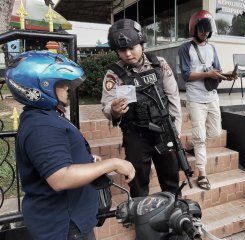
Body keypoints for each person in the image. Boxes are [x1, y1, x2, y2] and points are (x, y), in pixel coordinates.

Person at [5, 51, 135, 240]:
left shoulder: (45, 116)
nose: (67, 87)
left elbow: (57, 157)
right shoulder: (41, 126)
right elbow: (60, 178)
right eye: (60, 82)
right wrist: (114, 163)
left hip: (69, 221)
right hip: (64, 227)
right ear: (42, 86)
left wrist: (87, 160)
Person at [101, 18, 182, 198]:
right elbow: (106, 106)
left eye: (132, 48)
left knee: (171, 178)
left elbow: (173, 97)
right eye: (122, 50)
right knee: (138, 183)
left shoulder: (159, 64)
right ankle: (141, 218)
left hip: (163, 130)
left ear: (142, 44)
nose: (128, 54)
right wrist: (114, 110)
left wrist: (175, 130)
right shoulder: (114, 74)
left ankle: (174, 214)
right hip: (136, 135)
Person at [178, 10, 235, 190]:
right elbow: (186, 76)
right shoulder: (185, 48)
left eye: (208, 31)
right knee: (200, 137)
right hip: (195, 98)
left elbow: (216, 69)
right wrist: (207, 74)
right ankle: (202, 173)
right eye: (202, 30)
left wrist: (226, 76)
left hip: (212, 97)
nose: (205, 33)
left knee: (215, 132)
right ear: (194, 29)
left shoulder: (211, 48)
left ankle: (194, 145)